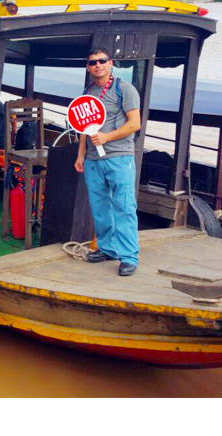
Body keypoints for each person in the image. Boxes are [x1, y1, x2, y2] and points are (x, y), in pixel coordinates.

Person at [74, 48, 142, 277]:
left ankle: (129, 257)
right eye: (93, 62)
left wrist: (107, 137)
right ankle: (108, 248)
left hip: (119, 157)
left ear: (111, 63)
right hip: (93, 160)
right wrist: (80, 155)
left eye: (102, 61)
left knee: (124, 206)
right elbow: (83, 126)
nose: (98, 65)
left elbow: (134, 124)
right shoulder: (89, 91)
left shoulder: (124, 89)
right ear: (88, 67)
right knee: (100, 207)